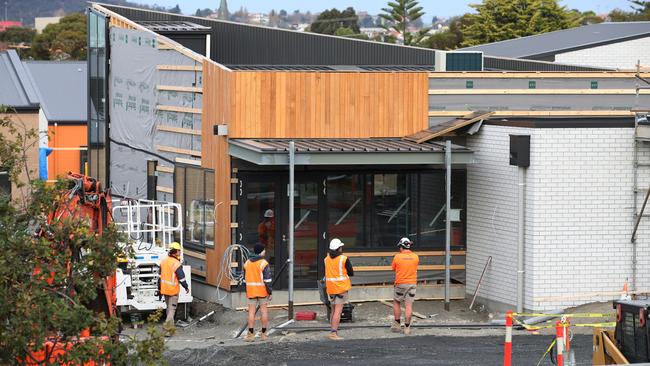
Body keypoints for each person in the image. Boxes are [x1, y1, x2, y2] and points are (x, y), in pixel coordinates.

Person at [324, 238, 354, 341]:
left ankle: (332, 330)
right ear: (338, 249)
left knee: (333, 310)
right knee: (338, 311)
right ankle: (333, 333)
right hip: (341, 288)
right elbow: (351, 272)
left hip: (330, 289)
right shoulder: (343, 259)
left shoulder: (326, 259)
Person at [243, 243, 273, 342]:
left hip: (251, 291)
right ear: (261, 251)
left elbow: (244, 279)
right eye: (264, 250)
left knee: (251, 313)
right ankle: (264, 334)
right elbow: (267, 280)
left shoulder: (247, 263)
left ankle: (250, 335)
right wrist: (270, 292)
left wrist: (247, 290)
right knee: (264, 311)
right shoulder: (264, 263)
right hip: (262, 291)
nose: (265, 251)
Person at [159, 242, 189, 336]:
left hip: (164, 289)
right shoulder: (176, 263)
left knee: (169, 309)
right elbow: (181, 277)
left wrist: (159, 288)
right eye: (179, 250)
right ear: (175, 252)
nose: (180, 252)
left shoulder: (164, 261)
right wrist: (186, 287)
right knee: (172, 310)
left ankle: (170, 329)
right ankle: (166, 330)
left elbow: (160, 276)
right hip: (172, 290)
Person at [391, 237, 419, 335]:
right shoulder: (416, 257)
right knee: (408, 305)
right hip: (412, 284)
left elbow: (393, 268)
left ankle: (397, 324)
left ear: (402, 247)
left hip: (400, 284)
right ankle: (407, 327)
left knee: (396, 302)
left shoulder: (397, 257)